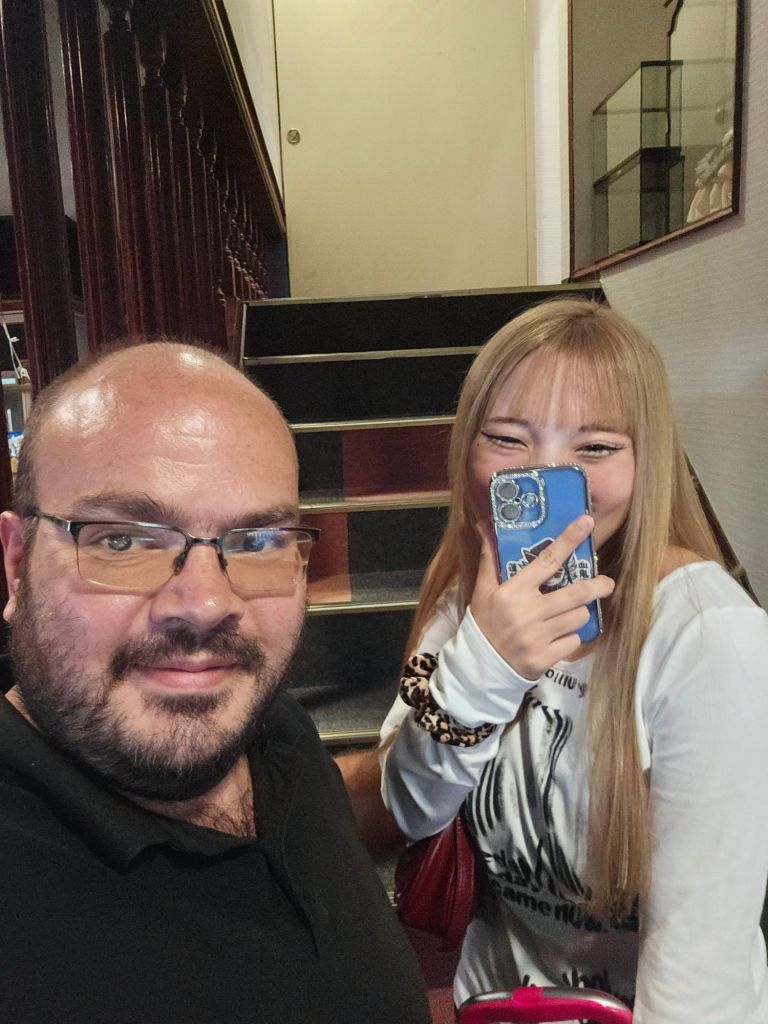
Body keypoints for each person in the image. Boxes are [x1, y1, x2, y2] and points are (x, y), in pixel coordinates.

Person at [0, 340, 430, 1024]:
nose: (204, 605)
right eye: (123, 540)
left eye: (257, 541)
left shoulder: (270, 725)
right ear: (16, 563)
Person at [368, 298, 768, 1021]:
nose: (548, 474)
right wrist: (486, 664)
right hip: (494, 1003)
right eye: (507, 438)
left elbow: (699, 973)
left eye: (596, 447)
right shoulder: (466, 594)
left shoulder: (708, 636)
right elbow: (410, 805)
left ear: (646, 461)